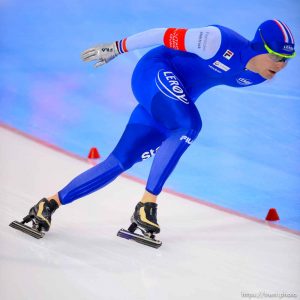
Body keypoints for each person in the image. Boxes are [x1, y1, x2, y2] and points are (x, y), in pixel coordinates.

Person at [22, 19, 296, 237]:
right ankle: (147, 204)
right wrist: (116, 48)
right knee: (190, 125)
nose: (282, 67)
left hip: (171, 102)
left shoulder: (260, 76)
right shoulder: (217, 40)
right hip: (154, 72)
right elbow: (161, 34)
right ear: (260, 48)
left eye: (288, 60)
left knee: (120, 161)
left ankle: (48, 204)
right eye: (277, 58)